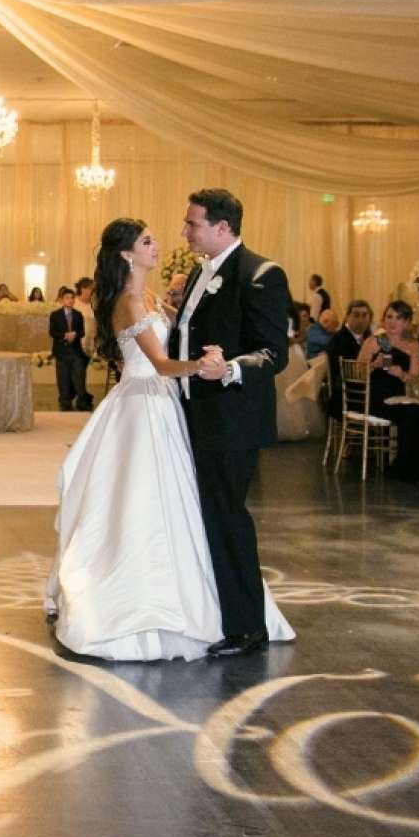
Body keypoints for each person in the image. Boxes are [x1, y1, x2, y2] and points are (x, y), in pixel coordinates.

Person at [47, 217, 294, 662]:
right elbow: (161, 363)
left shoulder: (152, 296)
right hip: (144, 405)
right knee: (143, 503)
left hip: (169, 409)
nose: (158, 244)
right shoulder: (126, 301)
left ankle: (215, 604)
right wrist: (203, 367)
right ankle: (143, 602)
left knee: (186, 505)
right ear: (126, 254)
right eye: (147, 241)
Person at [167, 188, 295, 658]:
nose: (185, 231)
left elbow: (273, 353)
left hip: (231, 419)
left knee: (228, 518)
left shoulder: (261, 274)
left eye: (193, 224)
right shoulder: (202, 273)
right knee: (210, 517)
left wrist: (232, 368)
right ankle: (220, 613)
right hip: (196, 413)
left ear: (223, 227)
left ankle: (247, 627)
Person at [355, 301, 419, 480]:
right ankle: (401, 468)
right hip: (375, 396)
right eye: (389, 317)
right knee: (409, 415)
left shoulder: (412, 345)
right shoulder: (374, 341)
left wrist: (402, 374)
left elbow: (414, 376)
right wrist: (373, 365)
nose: (392, 322)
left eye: (398, 318)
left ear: (407, 322)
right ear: (383, 320)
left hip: (397, 396)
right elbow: (356, 373)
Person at [325, 299, 373, 420]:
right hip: (347, 394)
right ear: (347, 317)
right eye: (356, 315)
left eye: (364, 315)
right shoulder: (338, 340)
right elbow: (341, 371)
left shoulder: (372, 339)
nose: (361, 320)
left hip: (367, 388)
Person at [49, 288, 91, 412]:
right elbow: (52, 332)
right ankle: (65, 402)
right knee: (63, 378)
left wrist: (75, 334)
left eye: (72, 298)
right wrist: (65, 335)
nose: (70, 300)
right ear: (62, 300)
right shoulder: (55, 315)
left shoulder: (78, 315)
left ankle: (82, 401)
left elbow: (82, 332)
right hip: (61, 351)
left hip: (76, 351)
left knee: (79, 376)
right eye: (67, 298)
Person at [74, 277, 97, 360]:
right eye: (90, 288)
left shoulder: (95, 304)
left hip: (92, 346)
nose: (93, 291)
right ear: (82, 289)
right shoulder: (73, 302)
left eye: (94, 289)